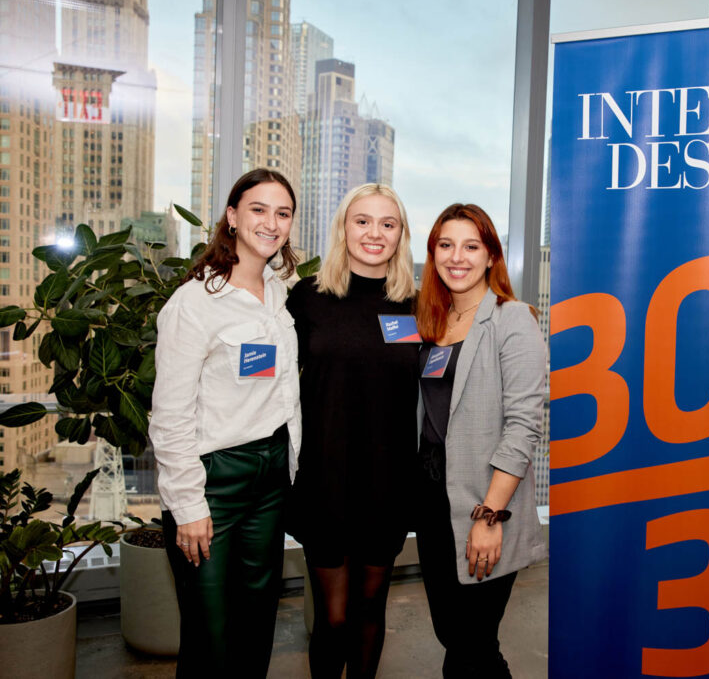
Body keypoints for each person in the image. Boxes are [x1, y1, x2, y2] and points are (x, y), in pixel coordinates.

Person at [149, 168, 301, 678]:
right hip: (214, 480)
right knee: (209, 632)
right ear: (232, 217)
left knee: (257, 625)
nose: (271, 222)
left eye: (283, 213)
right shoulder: (194, 303)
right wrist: (188, 505)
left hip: (271, 476)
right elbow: (169, 417)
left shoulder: (282, 293)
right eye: (259, 209)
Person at [285, 183, 419, 678]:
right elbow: (268, 380)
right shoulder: (307, 298)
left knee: (369, 611)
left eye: (388, 223)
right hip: (324, 480)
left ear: (401, 234)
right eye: (362, 220)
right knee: (333, 619)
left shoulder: (418, 305)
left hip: (387, 482)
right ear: (343, 226)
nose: (374, 233)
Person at [414, 203, 547, 678]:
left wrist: (490, 516)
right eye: (445, 245)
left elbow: (523, 425)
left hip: (484, 504)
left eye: (471, 246)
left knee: (471, 644)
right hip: (432, 504)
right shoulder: (431, 322)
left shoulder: (513, 319)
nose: (457, 257)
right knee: (456, 636)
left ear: (491, 255)